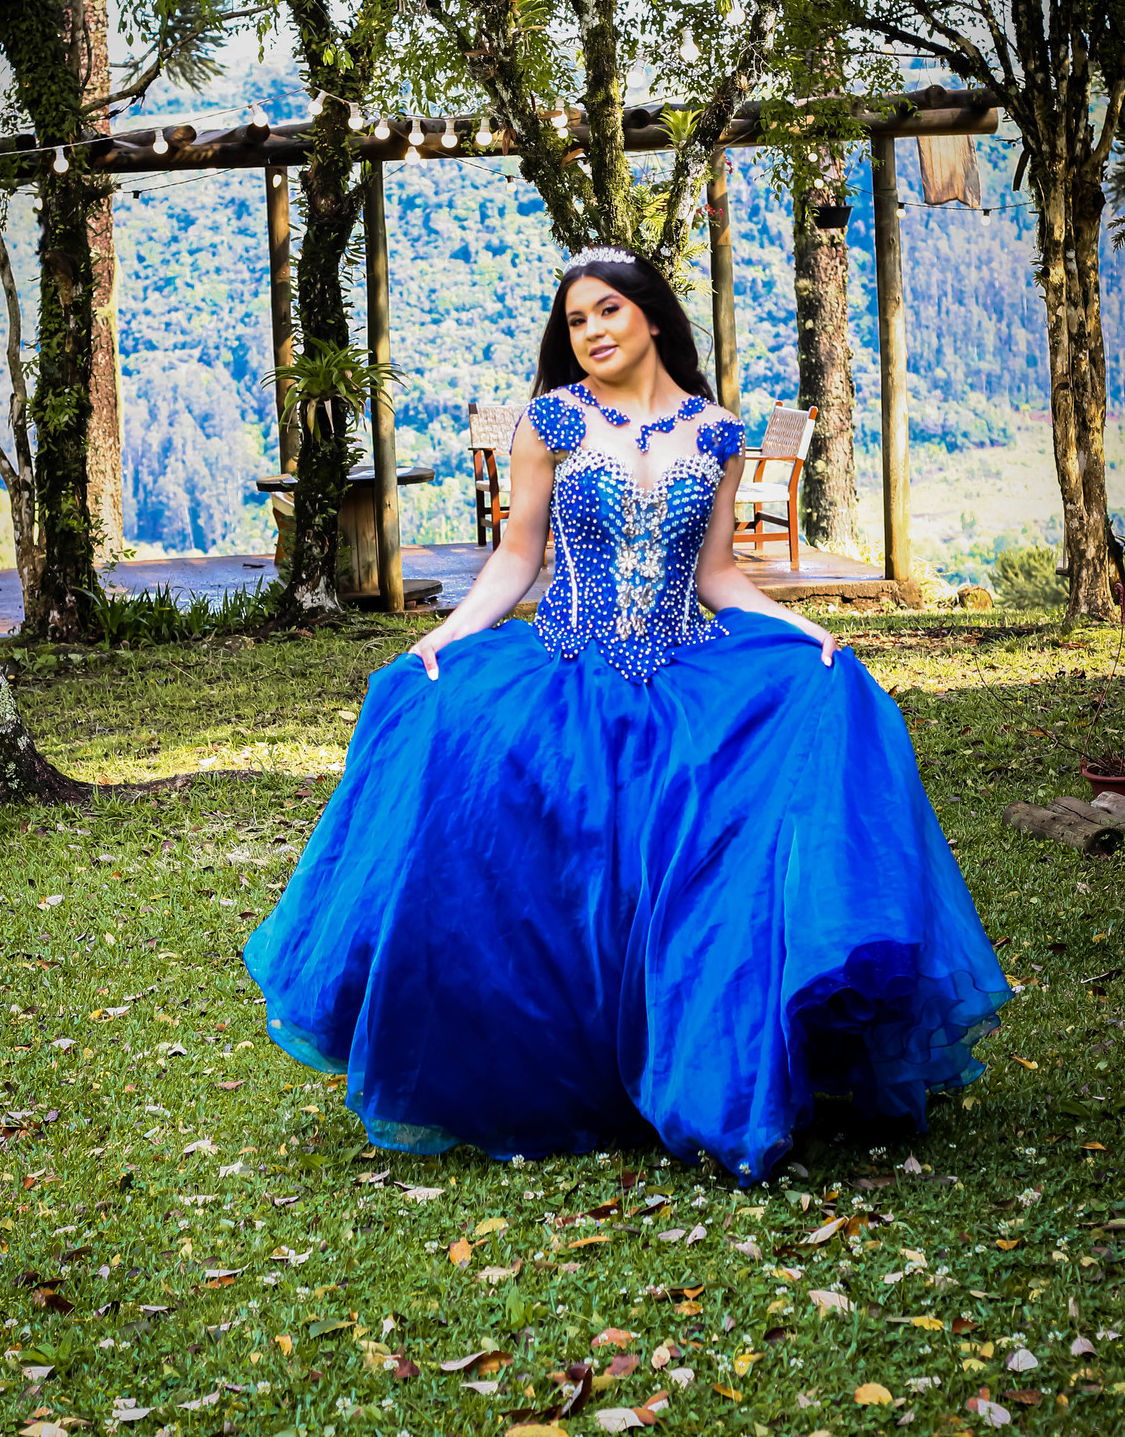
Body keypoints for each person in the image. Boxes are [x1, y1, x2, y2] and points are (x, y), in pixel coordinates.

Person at [245, 247, 1009, 1179]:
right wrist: (442, 636)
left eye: (608, 311)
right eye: (576, 320)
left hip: (685, 675)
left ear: (651, 316)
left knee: (776, 763)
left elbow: (718, 575)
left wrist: (804, 629)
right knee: (521, 838)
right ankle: (552, 1070)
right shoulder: (552, 423)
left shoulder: (718, 434)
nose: (592, 331)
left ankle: (703, 1066)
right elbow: (516, 558)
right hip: (569, 667)